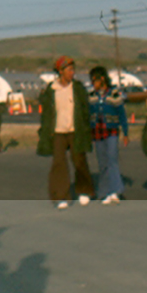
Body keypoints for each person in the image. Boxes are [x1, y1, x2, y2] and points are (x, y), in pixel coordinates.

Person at [38, 55, 94, 210]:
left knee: (79, 161)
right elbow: (47, 113)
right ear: (60, 71)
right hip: (58, 131)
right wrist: (45, 131)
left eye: (73, 69)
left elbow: (85, 109)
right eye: (69, 70)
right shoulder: (52, 90)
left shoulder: (78, 88)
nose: (72, 73)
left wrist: (86, 128)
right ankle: (61, 196)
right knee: (58, 163)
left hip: (75, 130)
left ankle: (84, 190)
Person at [88, 66, 129, 205]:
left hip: (111, 131)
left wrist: (126, 132)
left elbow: (122, 114)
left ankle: (116, 190)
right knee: (102, 163)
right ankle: (104, 192)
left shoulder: (114, 94)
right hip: (97, 133)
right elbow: (88, 115)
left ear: (102, 79)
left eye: (95, 80)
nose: (93, 83)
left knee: (112, 160)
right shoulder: (92, 96)